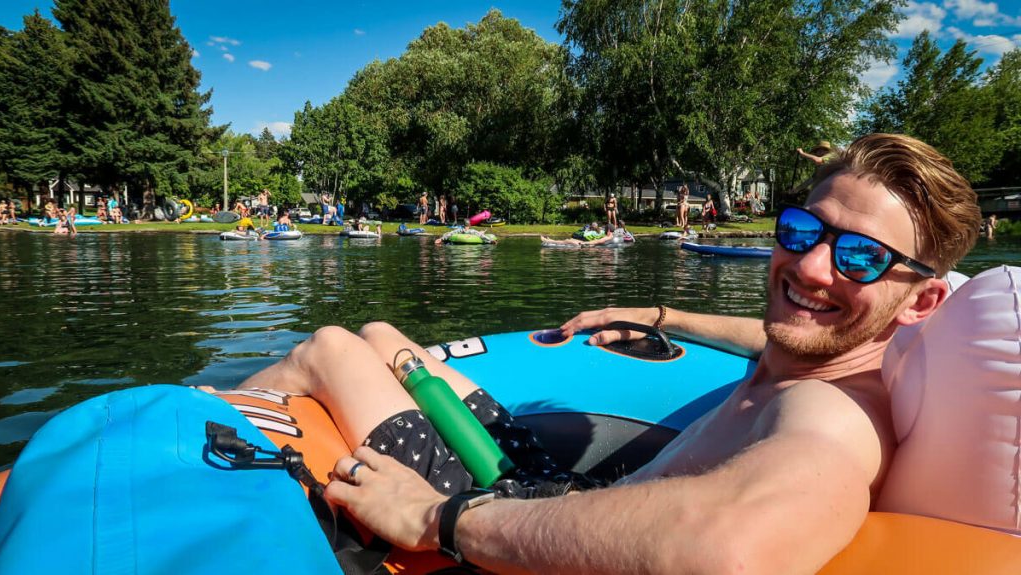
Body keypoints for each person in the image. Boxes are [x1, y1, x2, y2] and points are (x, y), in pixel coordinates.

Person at [231, 133, 980, 573]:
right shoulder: (820, 349)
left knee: (330, 347)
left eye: (861, 257)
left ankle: (168, 433)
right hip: (540, 481)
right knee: (385, 337)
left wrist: (444, 519)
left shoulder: (836, 413)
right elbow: (767, 333)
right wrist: (651, 312)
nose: (813, 267)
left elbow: (731, 548)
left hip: (505, 515)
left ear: (921, 300)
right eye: (802, 230)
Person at [541, 223, 617, 247]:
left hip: (587, 245)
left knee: (568, 241)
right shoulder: (608, 234)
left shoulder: (607, 237)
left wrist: (584, 243)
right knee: (568, 240)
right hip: (587, 241)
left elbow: (597, 242)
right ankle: (550, 240)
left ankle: (548, 241)